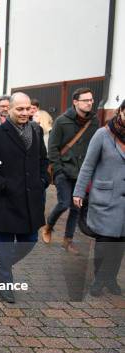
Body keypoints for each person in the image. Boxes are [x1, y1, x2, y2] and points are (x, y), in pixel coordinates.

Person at [0, 92, 49, 303]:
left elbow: (42, 160)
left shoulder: (36, 130)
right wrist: (6, 185)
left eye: (28, 109)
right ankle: (5, 280)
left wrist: (43, 180)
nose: (25, 113)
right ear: (8, 110)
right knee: (4, 244)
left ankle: (3, 266)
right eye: (20, 109)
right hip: (5, 201)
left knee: (30, 240)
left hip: (31, 200)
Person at [73, 100, 125, 296]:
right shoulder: (103, 134)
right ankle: (99, 278)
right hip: (106, 197)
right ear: (120, 111)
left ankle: (111, 278)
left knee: (120, 243)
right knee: (104, 242)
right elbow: (88, 165)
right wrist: (78, 191)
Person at [42, 88, 99, 254]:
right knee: (64, 203)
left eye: (91, 100)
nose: (90, 103)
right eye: (85, 100)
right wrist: (58, 170)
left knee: (76, 207)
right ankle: (48, 226)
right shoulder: (62, 121)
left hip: (82, 173)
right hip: (64, 171)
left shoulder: (94, 122)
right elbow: (52, 148)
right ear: (75, 102)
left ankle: (68, 241)